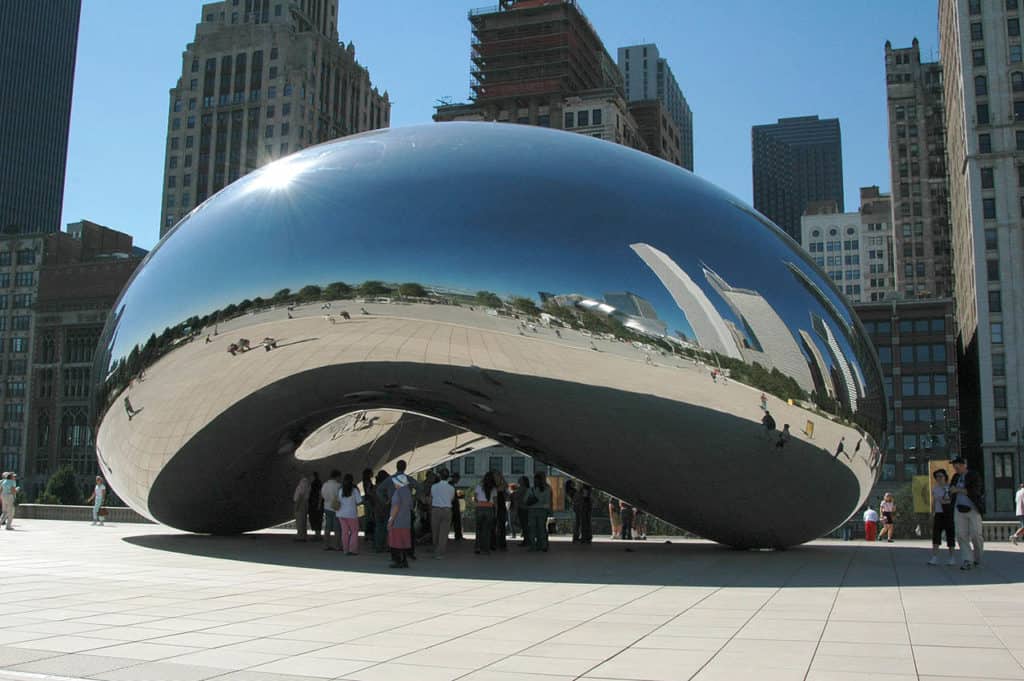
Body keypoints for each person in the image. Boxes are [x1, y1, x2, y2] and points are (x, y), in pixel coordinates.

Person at [950, 456, 984, 570]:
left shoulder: (973, 475)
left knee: (976, 534)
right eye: (954, 465)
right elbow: (951, 489)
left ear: (964, 464)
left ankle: (977, 558)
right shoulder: (955, 477)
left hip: (973, 508)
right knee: (961, 535)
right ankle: (967, 559)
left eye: (958, 465)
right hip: (958, 509)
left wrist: (958, 490)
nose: (956, 467)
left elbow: (975, 491)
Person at [929, 469, 956, 565]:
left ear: (945, 477)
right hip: (939, 513)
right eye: (937, 477)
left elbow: (951, 501)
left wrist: (946, 501)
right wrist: (932, 513)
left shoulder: (950, 488)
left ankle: (952, 557)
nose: (939, 478)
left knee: (950, 535)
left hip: (949, 513)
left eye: (941, 476)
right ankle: (935, 557)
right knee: (936, 535)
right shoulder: (935, 489)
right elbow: (936, 501)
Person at [387, 475, 414, 568]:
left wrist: (391, 520)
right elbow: (411, 506)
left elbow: (396, 507)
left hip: (397, 520)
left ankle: (398, 561)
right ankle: (404, 560)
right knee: (404, 541)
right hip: (406, 521)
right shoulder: (408, 492)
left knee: (395, 541)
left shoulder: (397, 492)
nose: (394, 483)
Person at [429, 468, 455, 558]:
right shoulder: (451, 488)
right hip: (447, 510)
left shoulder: (434, 486)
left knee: (435, 531)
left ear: (439, 476)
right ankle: (440, 552)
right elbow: (451, 499)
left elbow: (431, 498)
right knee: (444, 533)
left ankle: (436, 549)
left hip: (436, 509)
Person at [337, 473, 362, 555]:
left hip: (341, 514)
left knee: (344, 532)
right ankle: (352, 550)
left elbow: (337, 501)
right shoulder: (354, 490)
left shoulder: (340, 490)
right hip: (352, 514)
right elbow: (359, 502)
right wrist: (361, 514)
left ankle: (345, 550)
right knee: (354, 531)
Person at [526, 472, 551, 551]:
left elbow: (525, 500)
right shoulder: (546, 490)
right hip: (542, 511)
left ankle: (533, 546)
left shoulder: (530, 489)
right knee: (542, 528)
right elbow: (548, 503)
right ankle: (543, 546)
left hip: (532, 511)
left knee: (532, 529)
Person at [474, 471, 497, 555]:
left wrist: (478, 504)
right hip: (489, 508)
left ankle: (477, 547)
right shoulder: (494, 488)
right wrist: (495, 512)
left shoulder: (479, 486)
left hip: (480, 508)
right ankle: (486, 548)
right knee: (487, 530)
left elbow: (475, 498)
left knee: (478, 529)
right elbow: (495, 501)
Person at [320, 470, 342, 551]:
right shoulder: (338, 485)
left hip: (327, 506)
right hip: (336, 508)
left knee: (327, 527)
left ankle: (326, 545)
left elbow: (322, 495)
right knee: (337, 528)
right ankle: (337, 545)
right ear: (337, 476)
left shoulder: (325, 484)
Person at [373, 470, 390, 552]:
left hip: (377, 509)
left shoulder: (375, 487)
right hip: (386, 508)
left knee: (378, 528)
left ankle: (378, 546)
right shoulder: (387, 487)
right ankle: (387, 545)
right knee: (387, 528)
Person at [511, 476, 530, 545]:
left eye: (520, 479)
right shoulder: (523, 489)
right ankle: (526, 539)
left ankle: (527, 539)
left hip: (522, 508)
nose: (518, 480)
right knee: (523, 524)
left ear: (523, 481)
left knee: (523, 524)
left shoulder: (522, 489)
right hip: (522, 508)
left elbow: (517, 498)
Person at [492, 471, 509, 551]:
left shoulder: (500, 487)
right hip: (494, 508)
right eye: (496, 476)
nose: (497, 478)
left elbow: (506, 485)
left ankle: (501, 543)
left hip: (501, 508)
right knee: (494, 526)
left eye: (498, 477)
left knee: (501, 526)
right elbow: (504, 486)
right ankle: (494, 543)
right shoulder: (493, 487)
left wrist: (502, 477)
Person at [292, 474, 310, 541]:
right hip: (304, 503)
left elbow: (300, 495)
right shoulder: (306, 483)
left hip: (300, 503)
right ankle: (303, 535)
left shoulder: (303, 482)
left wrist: (296, 506)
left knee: (300, 520)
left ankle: (300, 536)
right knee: (302, 520)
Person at [361, 469, 376, 543]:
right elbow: (368, 492)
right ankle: (369, 535)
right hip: (369, 501)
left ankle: (367, 535)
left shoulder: (365, 481)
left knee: (368, 518)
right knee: (370, 518)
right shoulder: (368, 482)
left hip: (367, 500)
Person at [307, 472, 323, 541]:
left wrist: (319, 503)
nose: (310, 478)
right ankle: (317, 535)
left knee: (316, 519)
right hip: (315, 504)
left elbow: (320, 494)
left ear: (314, 476)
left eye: (311, 476)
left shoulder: (316, 483)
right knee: (317, 519)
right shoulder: (316, 483)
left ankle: (317, 535)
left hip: (315, 504)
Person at [450, 473, 464, 541]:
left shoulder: (452, 485)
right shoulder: (450, 485)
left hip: (454, 506)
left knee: (457, 521)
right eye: (457, 479)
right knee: (455, 521)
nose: (458, 480)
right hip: (453, 506)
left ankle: (458, 535)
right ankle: (458, 536)